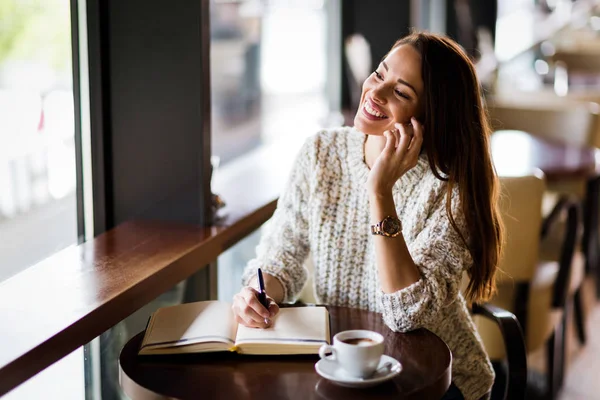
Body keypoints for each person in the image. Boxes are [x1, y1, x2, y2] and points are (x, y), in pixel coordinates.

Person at [232, 31, 503, 400]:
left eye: (402, 93)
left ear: (430, 116)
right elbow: (282, 258)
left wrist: (380, 191)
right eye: (379, 74)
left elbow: (406, 315)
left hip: (439, 380)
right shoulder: (320, 152)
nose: (375, 93)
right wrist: (258, 294)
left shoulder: (451, 188)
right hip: (345, 365)